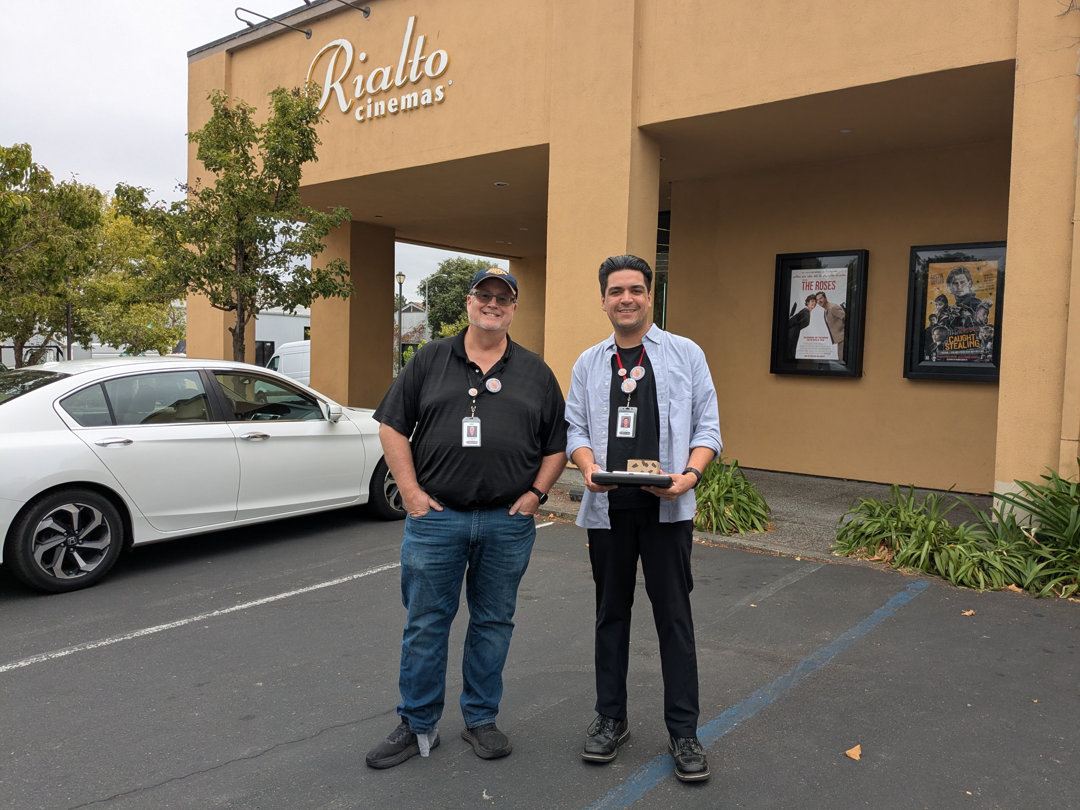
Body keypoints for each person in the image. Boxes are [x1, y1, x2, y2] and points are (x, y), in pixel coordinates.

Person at [366, 267, 568, 769]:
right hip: (437, 520)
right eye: (485, 295)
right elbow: (391, 425)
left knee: (493, 623)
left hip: (506, 521)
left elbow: (557, 444)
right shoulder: (432, 358)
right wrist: (410, 493)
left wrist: (536, 495)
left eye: (504, 297)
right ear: (469, 302)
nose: (493, 303)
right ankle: (416, 724)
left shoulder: (536, 372)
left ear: (514, 308)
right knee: (426, 625)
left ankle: (480, 719)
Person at [565, 254, 722, 783]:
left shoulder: (685, 354)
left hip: (668, 508)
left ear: (650, 295)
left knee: (674, 621)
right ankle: (611, 719)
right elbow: (576, 432)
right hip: (609, 510)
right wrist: (588, 468)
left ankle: (684, 731)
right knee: (611, 617)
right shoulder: (589, 362)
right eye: (615, 291)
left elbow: (708, 430)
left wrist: (689, 478)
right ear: (603, 299)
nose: (625, 298)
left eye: (635, 289)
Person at [814, 291, 846, 360]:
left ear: (825, 298)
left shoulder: (832, 308)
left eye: (821, 298)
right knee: (841, 361)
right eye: (817, 300)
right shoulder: (826, 310)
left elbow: (846, 318)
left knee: (842, 361)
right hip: (840, 340)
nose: (819, 301)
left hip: (843, 339)